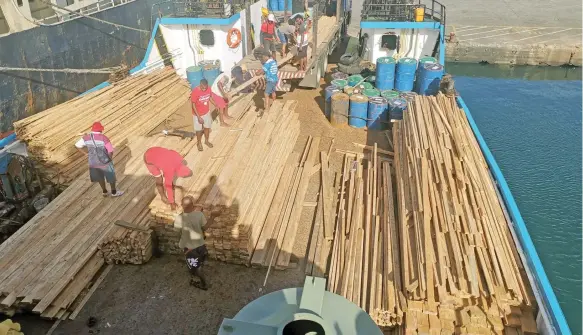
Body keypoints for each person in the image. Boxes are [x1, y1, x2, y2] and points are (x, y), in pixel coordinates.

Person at [75, 121, 124, 197]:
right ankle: (114, 192)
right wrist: (110, 159)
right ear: (100, 130)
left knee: (99, 177)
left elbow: (77, 145)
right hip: (105, 161)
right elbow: (110, 151)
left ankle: (104, 191)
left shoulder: (86, 137)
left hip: (93, 162)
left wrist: (85, 154)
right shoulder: (104, 138)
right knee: (110, 176)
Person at [174, 196, 209, 290]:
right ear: (193, 206)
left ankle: (203, 284)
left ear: (182, 206)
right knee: (199, 262)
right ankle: (196, 268)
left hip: (190, 249)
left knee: (197, 267)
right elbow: (204, 228)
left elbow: (177, 232)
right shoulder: (199, 215)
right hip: (201, 246)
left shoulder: (179, 218)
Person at [144, 146, 193, 211]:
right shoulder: (170, 170)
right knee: (159, 179)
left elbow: (171, 150)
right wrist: (172, 203)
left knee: (168, 175)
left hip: (155, 150)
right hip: (148, 158)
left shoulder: (178, 157)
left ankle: (166, 173)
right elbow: (168, 187)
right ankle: (163, 197)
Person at [191, 79, 216, 152]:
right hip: (197, 114)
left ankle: (206, 141)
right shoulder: (195, 91)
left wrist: (215, 104)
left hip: (206, 112)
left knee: (207, 128)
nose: (204, 89)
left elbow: (209, 98)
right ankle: (199, 143)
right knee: (198, 130)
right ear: (200, 84)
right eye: (202, 87)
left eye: (205, 87)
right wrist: (198, 117)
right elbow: (193, 105)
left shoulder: (209, 88)